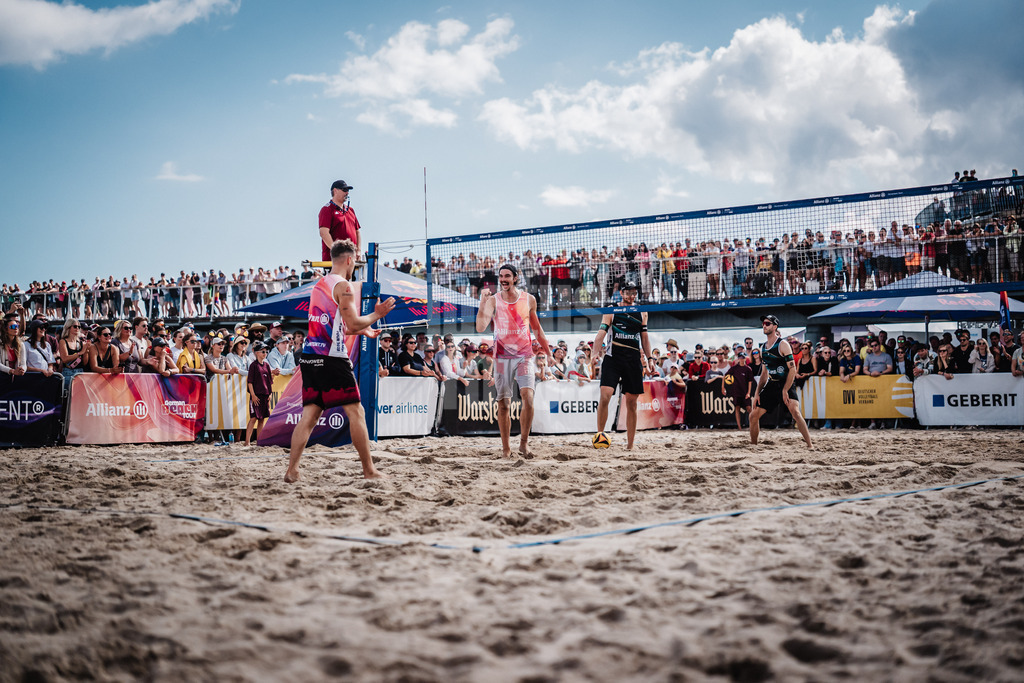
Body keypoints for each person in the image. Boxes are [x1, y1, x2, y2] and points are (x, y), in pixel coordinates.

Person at [286, 239, 395, 483]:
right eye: (355, 258)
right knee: (356, 412)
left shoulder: (319, 285)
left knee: (310, 417)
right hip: (332, 358)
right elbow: (353, 322)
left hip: (311, 357)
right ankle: (369, 470)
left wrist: (362, 331)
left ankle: (292, 471)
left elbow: (342, 327)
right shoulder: (344, 286)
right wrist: (376, 315)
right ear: (348, 259)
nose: (355, 262)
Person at [475, 262, 553, 458]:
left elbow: (537, 329)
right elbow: (480, 327)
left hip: (524, 355)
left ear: (515, 278)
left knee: (528, 397)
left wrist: (548, 351)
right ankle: (506, 448)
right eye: (501, 276)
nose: (503, 280)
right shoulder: (493, 300)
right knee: (504, 404)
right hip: (501, 357)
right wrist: (482, 302)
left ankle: (524, 444)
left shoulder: (529, 299)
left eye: (507, 276)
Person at [593, 280, 650, 450]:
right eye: (629, 292)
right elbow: (601, 332)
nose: (632, 296)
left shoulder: (642, 312)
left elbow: (645, 338)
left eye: (634, 293)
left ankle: (630, 445)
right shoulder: (612, 310)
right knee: (605, 396)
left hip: (632, 360)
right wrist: (595, 353)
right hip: (613, 358)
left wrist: (650, 358)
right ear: (621, 293)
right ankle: (600, 436)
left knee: (631, 403)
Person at [750, 314, 813, 449]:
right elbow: (764, 374)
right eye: (763, 323)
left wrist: (785, 390)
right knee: (753, 415)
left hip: (786, 382)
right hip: (772, 384)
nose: (764, 325)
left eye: (767, 323)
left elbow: (792, 370)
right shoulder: (762, 348)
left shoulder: (783, 344)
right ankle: (753, 447)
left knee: (795, 412)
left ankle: (810, 445)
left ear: (775, 326)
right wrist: (757, 394)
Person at [319, 180, 362, 263]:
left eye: (348, 190)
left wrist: (358, 251)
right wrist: (336, 252)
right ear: (335, 191)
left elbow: (357, 232)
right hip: (334, 261)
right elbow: (324, 233)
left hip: (350, 260)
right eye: (344, 190)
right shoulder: (327, 209)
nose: (347, 193)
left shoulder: (350, 210)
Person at [245, 342, 273, 446]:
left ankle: (259, 441)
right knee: (253, 418)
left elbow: (269, 382)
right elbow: (250, 382)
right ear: (257, 353)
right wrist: (253, 395)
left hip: (265, 395)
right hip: (256, 395)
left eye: (266, 351)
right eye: (263, 351)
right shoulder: (253, 365)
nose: (265, 353)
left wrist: (270, 394)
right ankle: (247, 442)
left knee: (262, 419)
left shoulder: (267, 365)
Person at [723, 351, 753, 430]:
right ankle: (739, 427)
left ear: (745, 358)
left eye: (743, 357)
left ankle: (753, 425)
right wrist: (723, 387)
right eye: (740, 358)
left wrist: (749, 393)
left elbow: (750, 381)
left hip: (745, 391)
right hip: (736, 391)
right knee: (737, 408)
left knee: (749, 408)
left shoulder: (748, 369)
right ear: (738, 359)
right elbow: (725, 376)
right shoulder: (734, 368)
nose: (742, 359)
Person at [58, 318, 90, 384]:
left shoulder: (81, 343)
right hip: (67, 372)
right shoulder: (63, 341)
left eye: (79, 327)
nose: (77, 328)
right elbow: (64, 359)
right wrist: (80, 353)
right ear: (68, 327)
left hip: (80, 372)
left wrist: (86, 351)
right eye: (75, 326)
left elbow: (84, 362)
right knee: (67, 393)